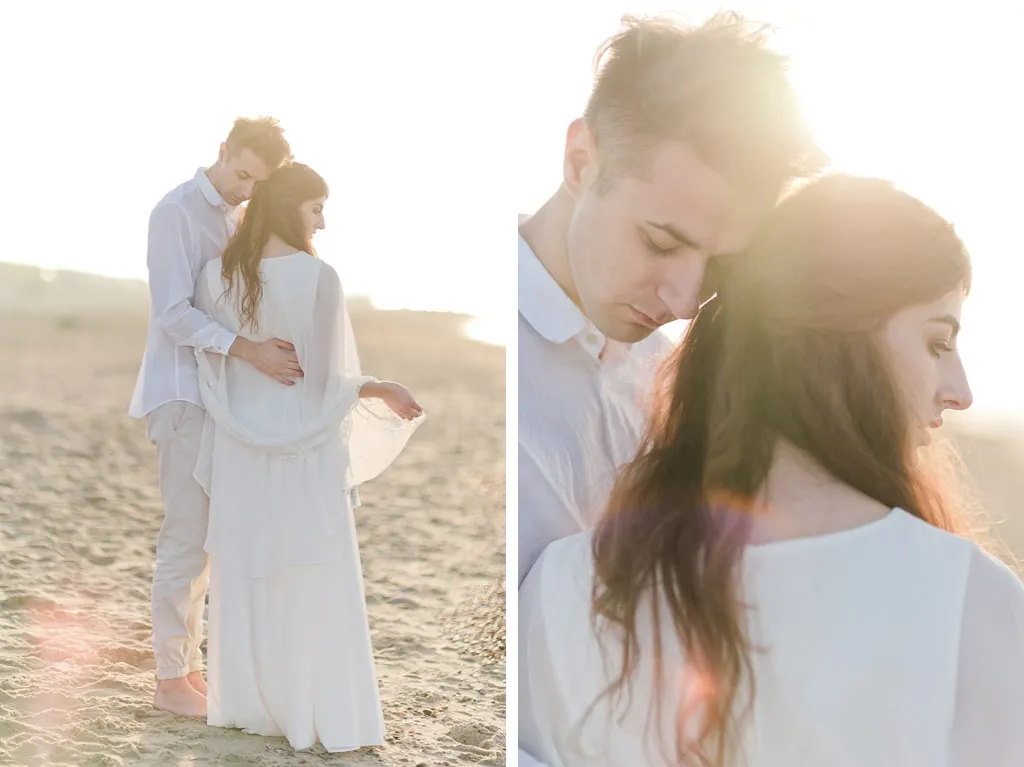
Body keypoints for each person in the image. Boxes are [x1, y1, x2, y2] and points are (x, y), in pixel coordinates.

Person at [520, 174, 1024, 766]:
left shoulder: (568, 585)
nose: (958, 391)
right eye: (938, 343)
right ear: (837, 341)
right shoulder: (973, 603)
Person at [517, 15, 823, 763]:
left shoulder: (669, 374)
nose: (686, 297)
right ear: (581, 161)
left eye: (719, 266)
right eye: (661, 240)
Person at [192, 161, 424, 752]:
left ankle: (248, 706)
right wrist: (378, 387)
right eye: (316, 207)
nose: (323, 219)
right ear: (289, 206)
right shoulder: (318, 277)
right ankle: (311, 712)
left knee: (249, 574)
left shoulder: (215, 275)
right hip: (299, 447)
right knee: (309, 575)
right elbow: (326, 383)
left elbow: (210, 361)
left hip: (240, 448)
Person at [128, 116, 297, 718]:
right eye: (241, 173)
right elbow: (173, 313)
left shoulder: (239, 215)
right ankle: (170, 682)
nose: (244, 188)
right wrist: (249, 351)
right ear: (221, 151)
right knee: (184, 538)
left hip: (218, 396)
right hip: (180, 394)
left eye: (258, 182)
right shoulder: (174, 213)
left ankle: (190, 670)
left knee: (207, 542)